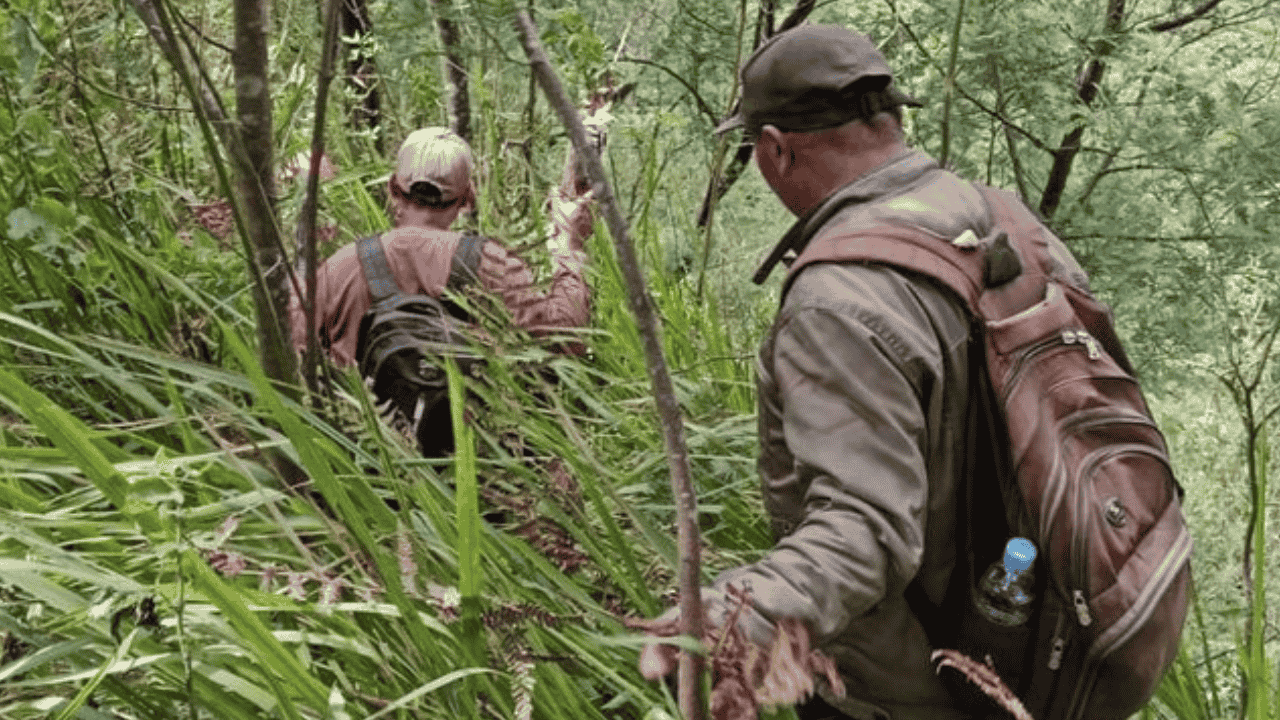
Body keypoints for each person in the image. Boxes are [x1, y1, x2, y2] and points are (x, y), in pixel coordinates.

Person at [641, 24, 1004, 720]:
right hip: (1046, 629)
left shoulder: (838, 302)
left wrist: (739, 617)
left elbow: (866, 528)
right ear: (893, 119)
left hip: (911, 688)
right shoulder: (990, 216)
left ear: (776, 148)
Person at [290, 126, 594, 368]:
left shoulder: (340, 266)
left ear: (392, 189)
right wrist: (570, 246)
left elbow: (293, 350)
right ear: (468, 198)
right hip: (470, 441)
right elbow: (567, 338)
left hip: (361, 442)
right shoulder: (491, 263)